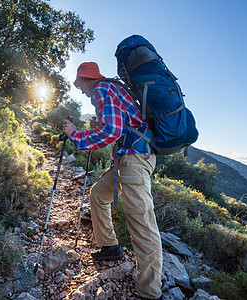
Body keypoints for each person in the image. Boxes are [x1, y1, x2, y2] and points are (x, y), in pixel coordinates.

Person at [63, 62, 163, 300]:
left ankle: (149, 292)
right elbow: (118, 126)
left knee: (142, 224)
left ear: (86, 79)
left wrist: (75, 135)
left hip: (134, 161)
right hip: (127, 160)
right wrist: (96, 128)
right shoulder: (111, 88)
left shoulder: (101, 89)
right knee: (98, 194)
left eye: (79, 85)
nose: (80, 90)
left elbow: (113, 131)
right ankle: (110, 247)